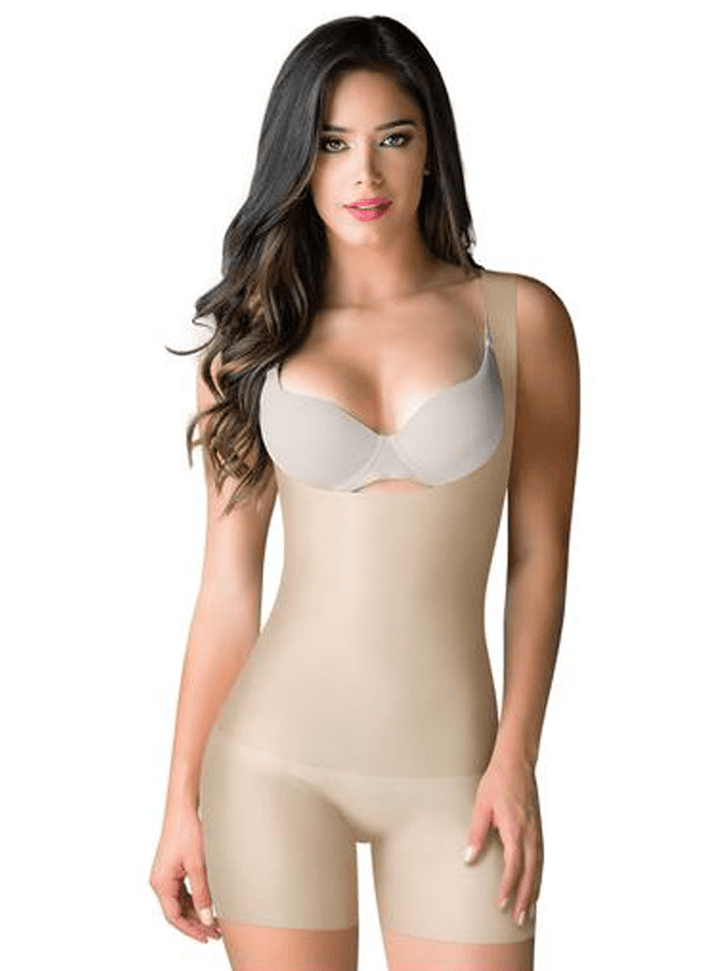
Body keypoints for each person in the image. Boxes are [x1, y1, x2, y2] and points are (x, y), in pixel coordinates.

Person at [149, 14, 579, 971]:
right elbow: (227, 590)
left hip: (459, 775)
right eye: (332, 143)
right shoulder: (249, 346)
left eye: (394, 137)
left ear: (433, 149)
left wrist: (517, 757)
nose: (365, 173)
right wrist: (179, 798)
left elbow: (540, 556)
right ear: (297, 161)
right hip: (271, 766)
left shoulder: (523, 320)